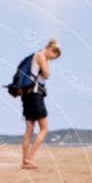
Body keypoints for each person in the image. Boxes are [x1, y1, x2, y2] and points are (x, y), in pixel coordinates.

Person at [21, 38, 61, 169]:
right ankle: (29, 158)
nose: (53, 59)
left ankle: (24, 161)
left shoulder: (35, 55)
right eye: (54, 56)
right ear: (52, 51)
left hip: (28, 96)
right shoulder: (42, 56)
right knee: (44, 128)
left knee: (29, 131)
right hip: (35, 96)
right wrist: (47, 61)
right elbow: (47, 75)